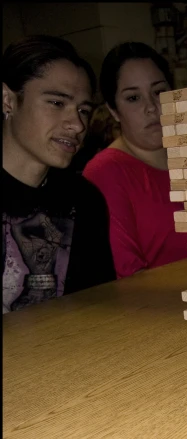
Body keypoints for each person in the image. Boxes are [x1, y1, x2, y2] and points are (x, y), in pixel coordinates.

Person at [2, 35, 116, 312]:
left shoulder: (84, 200)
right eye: (56, 103)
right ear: (7, 100)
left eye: (84, 110)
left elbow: (98, 308)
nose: (77, 124)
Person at [82, 42, 187, 279]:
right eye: (133, 98)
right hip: (157, 311)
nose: (151, 107)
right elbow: (128, 276)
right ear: (113, 110)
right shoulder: (105, 172)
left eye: (159, 92)